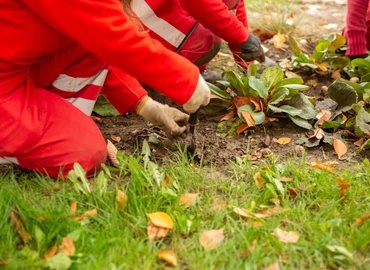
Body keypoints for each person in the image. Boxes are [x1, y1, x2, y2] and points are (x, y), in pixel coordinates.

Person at [0, 0, 212, 178]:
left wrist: (146, 105)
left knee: (88, 42)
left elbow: (98, 36)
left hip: (16, 68)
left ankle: (57, 125)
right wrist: (185, 80)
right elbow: (113, 35)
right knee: (85, 154)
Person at [123, 0, 265, 80]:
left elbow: (233, 4)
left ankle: (189, 74)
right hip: (132, 24)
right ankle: (158, 81)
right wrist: (242, 37)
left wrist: (247, 67)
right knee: (203, 39)